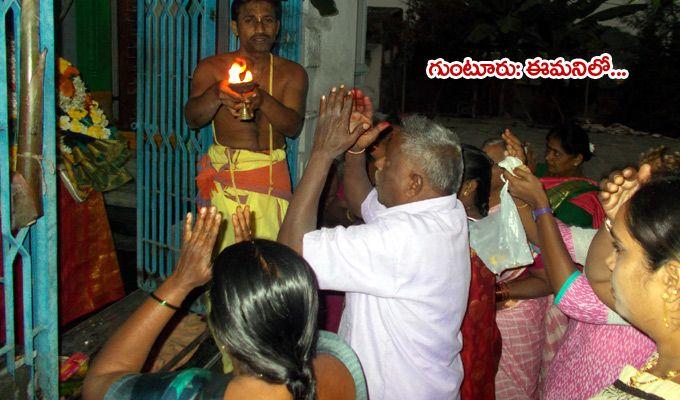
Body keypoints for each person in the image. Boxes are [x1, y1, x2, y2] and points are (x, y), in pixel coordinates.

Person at [277, 86, 469, 399]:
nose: (378, 163)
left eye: (388, 162)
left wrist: (322, 153)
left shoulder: (402, 239)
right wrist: (354, 153)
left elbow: (290, 254)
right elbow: (362, 202)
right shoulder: (445, 210)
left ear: (414, 183)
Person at [83, 207, 366, 400]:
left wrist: (179, 282)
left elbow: (100, 382)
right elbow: (303, 335)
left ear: (221, 331)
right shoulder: (340, 366)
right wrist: (255, 280)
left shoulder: (191, 391)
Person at [504, 166, 657, 399]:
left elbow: (575, 296)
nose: (611, 260)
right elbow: (553, 237)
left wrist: (541, 204)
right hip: (568, 378)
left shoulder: (658, 287)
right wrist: (522, 191)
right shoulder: (640, 240)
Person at [184, 0, 308, 250]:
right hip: (226, 182)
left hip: (271, 178)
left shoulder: (292, 73)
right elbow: (193, 120)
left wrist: (262, 100)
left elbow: (293, 128)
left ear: (277, 26)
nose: (260, 28)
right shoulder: (211, 68)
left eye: (268, 20)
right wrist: (218, 93)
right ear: (235, 26)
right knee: (226, 267)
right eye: (250, 20)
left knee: (269, 266)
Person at [482, 135, 553, 400]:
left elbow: (547, 278)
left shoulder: (522, 214)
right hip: (487, 315)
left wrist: (494, 294)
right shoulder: (471, 207)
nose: (483, 166)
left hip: (516, 316)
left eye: (493, 162)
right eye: (483, 159)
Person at [458, 145, 502, 400]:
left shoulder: (480, 229)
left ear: (468, 187)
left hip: (469, 338)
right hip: (476, 338)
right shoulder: (487, 224)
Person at [504, 124, 605, 228]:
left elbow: (551, 235)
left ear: (577, 159)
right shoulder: (539, 169)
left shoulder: (583, 200)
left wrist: (528, 180)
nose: (548, 157)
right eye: (548, 150)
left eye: (556, 154)